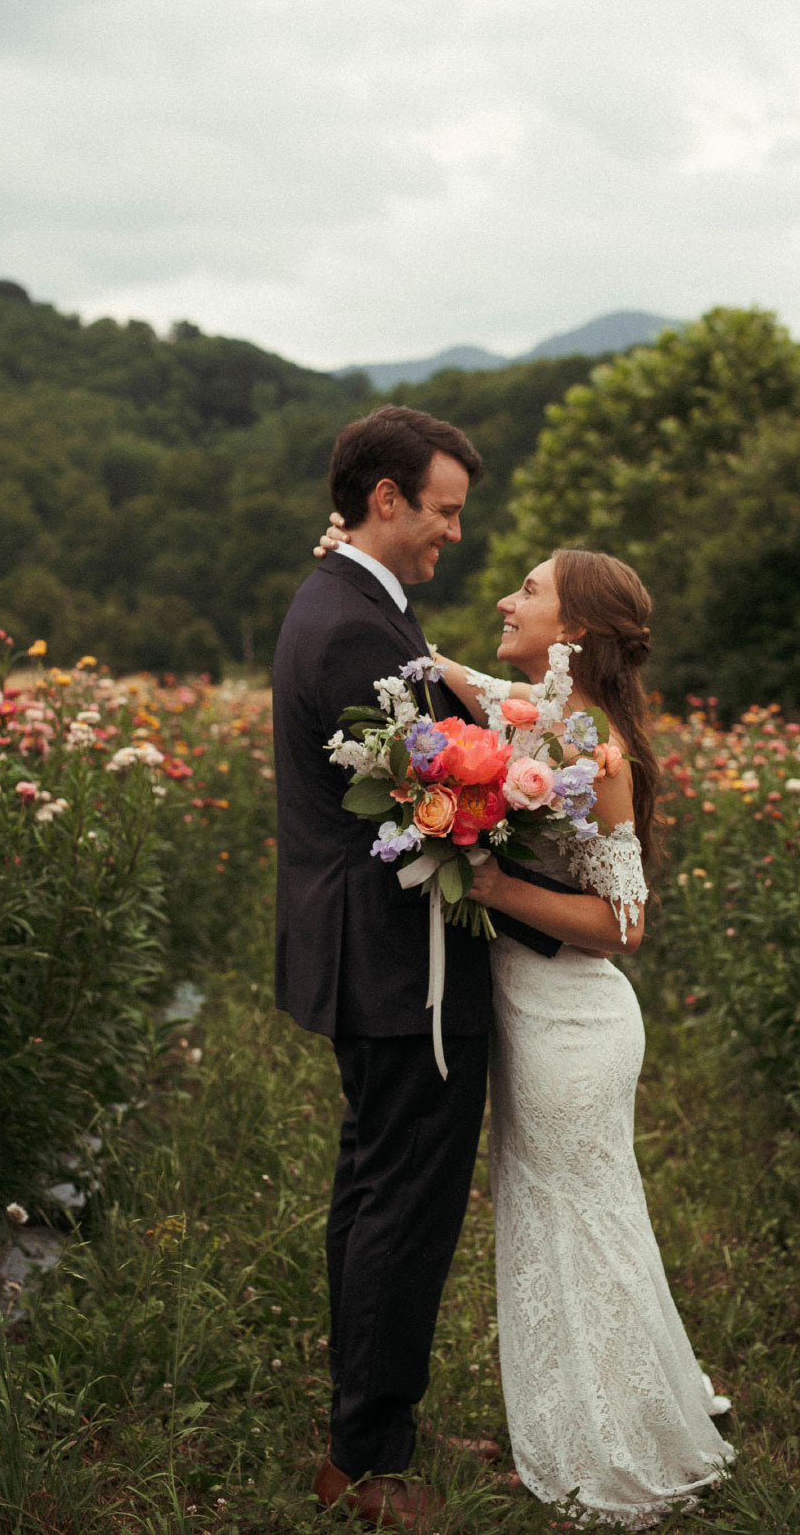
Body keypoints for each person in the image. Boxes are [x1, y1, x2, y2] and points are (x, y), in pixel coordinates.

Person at [317, 520, 734, 1528]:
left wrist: (494, 880)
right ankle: (586, 1414)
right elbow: (439, 665)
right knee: (555, 1220)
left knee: (580, 1222)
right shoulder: (534, 716)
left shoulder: (601, 754)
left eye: (528, 589)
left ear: (575, 627)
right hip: (527, 1010)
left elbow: (624, 925)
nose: (506, 599)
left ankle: (618, 1447)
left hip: (574, 1022)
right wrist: (350, 557)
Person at [273, 405, 497, 1531]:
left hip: (370, 956)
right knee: (402, 1205)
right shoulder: (359, 625)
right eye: (445, 511)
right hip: (398, 964)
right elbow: (435, 806)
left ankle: (371, 1424)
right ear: (388, 500)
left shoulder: (352, 601)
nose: (455, 534)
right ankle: (368, 1462)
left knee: (375, 1193)